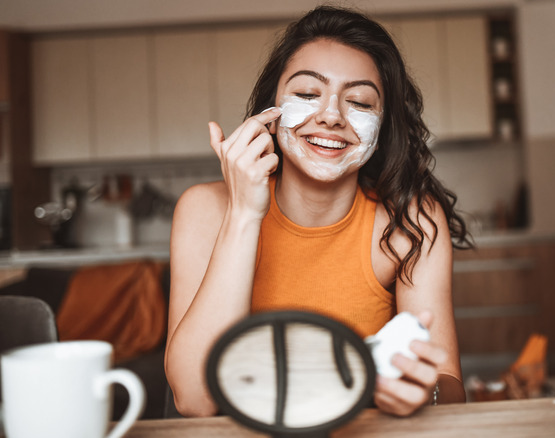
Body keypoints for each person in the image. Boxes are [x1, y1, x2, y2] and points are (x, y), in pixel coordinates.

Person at [164, 5, 472, 418]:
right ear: (270, 112)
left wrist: (423, 392)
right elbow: (195, 399)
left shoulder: (410, 221)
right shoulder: (205, 209)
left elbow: (449, 384)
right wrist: (243, 214)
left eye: (359, 101)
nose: (330, 116)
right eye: (308, 94)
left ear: (382, 128)